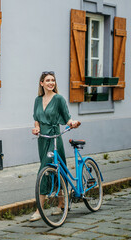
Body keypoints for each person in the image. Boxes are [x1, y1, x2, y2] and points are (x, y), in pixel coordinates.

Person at [30, 71, 80, 222]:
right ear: (42, 83)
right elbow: (36, 118)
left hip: (55, 139)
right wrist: (36, 128)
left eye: (53, 80)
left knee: (45, 171)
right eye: (48, 80)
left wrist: (73, 123)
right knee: (54, 170)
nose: (51, 83)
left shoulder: (58, 99)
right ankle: (62, 204)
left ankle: (39, 209)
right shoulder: (38, 100)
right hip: (43, 139)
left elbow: (67, 117)